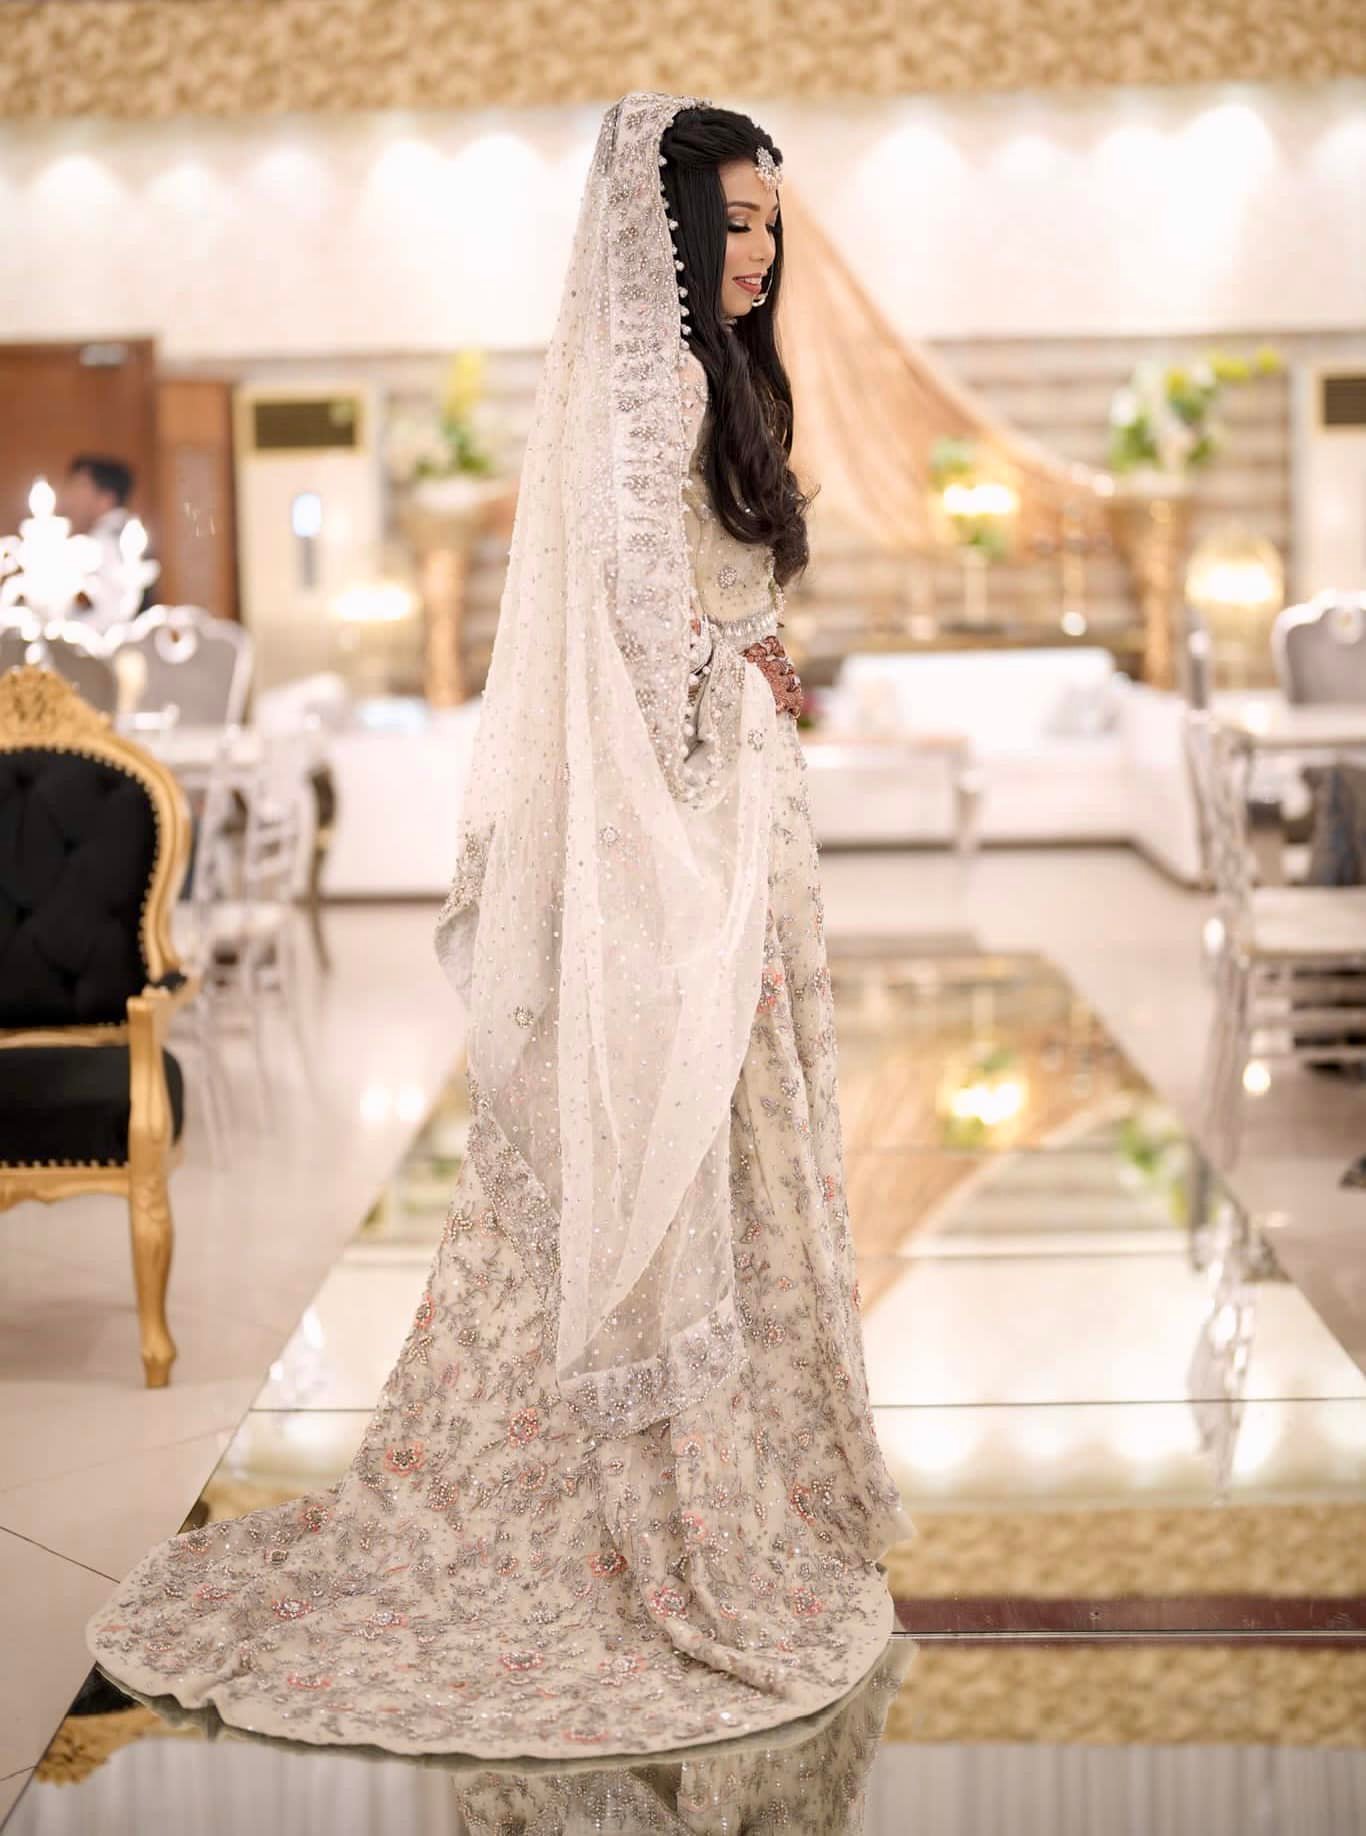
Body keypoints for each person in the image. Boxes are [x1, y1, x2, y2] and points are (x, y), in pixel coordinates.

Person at [85, 90, 909, 1761]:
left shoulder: (706, 378)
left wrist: (749, 661)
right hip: (683, 826)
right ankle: (635, 1505)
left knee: (711, 1141)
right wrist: (737, 673)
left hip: (734, 816)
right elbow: (636, 640)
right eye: (734, 222)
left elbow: (702, 601)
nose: (757, 251)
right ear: (667, 232)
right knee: (668, 1141)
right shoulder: (658, 386)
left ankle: (716, 1469)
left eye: (771, 223)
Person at [61, 453, 154, 631]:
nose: (70, 497)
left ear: (107, 498)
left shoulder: (101, 544)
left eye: (80, 487)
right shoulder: (126, 535)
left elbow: (106, 619)